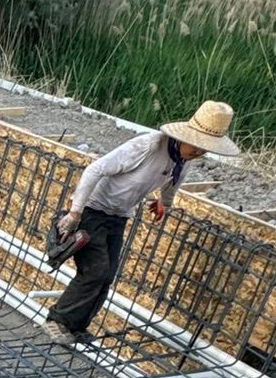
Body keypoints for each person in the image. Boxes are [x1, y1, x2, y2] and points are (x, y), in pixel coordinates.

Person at [45, 100, 239, 347]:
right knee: (95, 271)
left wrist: (164, 203)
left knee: (107, 275)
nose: (199, 153)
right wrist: (75, 213)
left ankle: (77, 327)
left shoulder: (182, 160)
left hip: (119, 215)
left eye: (204, 149)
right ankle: (58, 321)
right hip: (93, 209)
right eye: (196, 146)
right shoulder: (147, 146)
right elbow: (94, 170)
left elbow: (173, 183)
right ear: (184, 137)